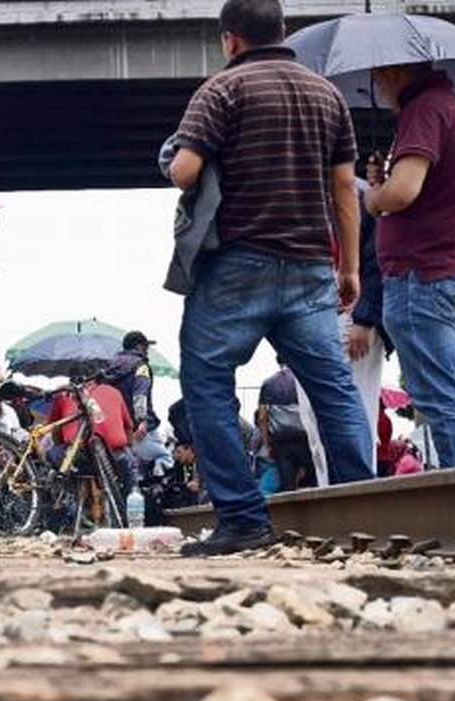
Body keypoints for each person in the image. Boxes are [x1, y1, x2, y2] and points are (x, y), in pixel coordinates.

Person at [169, 0, 373, 555]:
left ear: (230, 40)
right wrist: (348, 267)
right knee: (332, 388)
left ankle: (241, 518)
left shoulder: (221, 90)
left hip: (237, 264)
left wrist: (173, 160)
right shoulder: (325, 94)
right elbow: (345, 193)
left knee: (206, 383)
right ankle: (363, 509)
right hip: (310, 266)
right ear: (283, 32)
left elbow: (184, 170)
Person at [364, 58, 455, 469]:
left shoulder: (424, 111)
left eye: (378, 75)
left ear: (397, 72)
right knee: (453, 394)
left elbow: (402, 192)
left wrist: (373, 196)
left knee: (438, 397)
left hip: (423, 276)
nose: (377, 85)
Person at [297, 178, 388, 486]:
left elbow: (377, 259)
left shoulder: (357, 194)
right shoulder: (298, 190)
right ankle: (331, 493)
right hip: (310, 321)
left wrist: (365, 318)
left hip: (349, 318)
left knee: (357, 408)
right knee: (313, 418)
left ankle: (359, 494)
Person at [104, 330, 170, 476]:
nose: (148, 352)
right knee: (165, 458)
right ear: (139, 347)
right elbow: (140, 395)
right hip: (138, 429)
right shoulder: (141, 366)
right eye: (146, 348)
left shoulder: (109, 368)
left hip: (115, 429)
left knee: (127, 472)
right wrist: (142, 421)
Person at [258, 359, 315, 492]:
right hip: (306, 438)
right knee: (313, 480)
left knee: (287, 485)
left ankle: (293, 511)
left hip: (281, 441)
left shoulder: (268, 383)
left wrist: (267, 444)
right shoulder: (305, 380)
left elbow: (262, 417)